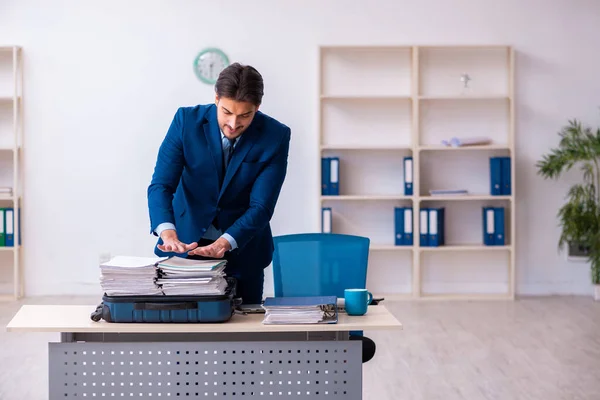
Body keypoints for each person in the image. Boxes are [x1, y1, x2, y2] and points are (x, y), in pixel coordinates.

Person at [147, 62, 291, 304]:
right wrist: (168, 233)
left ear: (257, 107)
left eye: (245, 115)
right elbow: (161, 186)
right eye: (227, 112)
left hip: (243, 249)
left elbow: (261, 207)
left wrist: (225, 242)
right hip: (185, 247)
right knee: (187, 329)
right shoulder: (186, 122)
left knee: (245, 334)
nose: (234, 124)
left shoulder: (275, 136)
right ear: (216, 99)